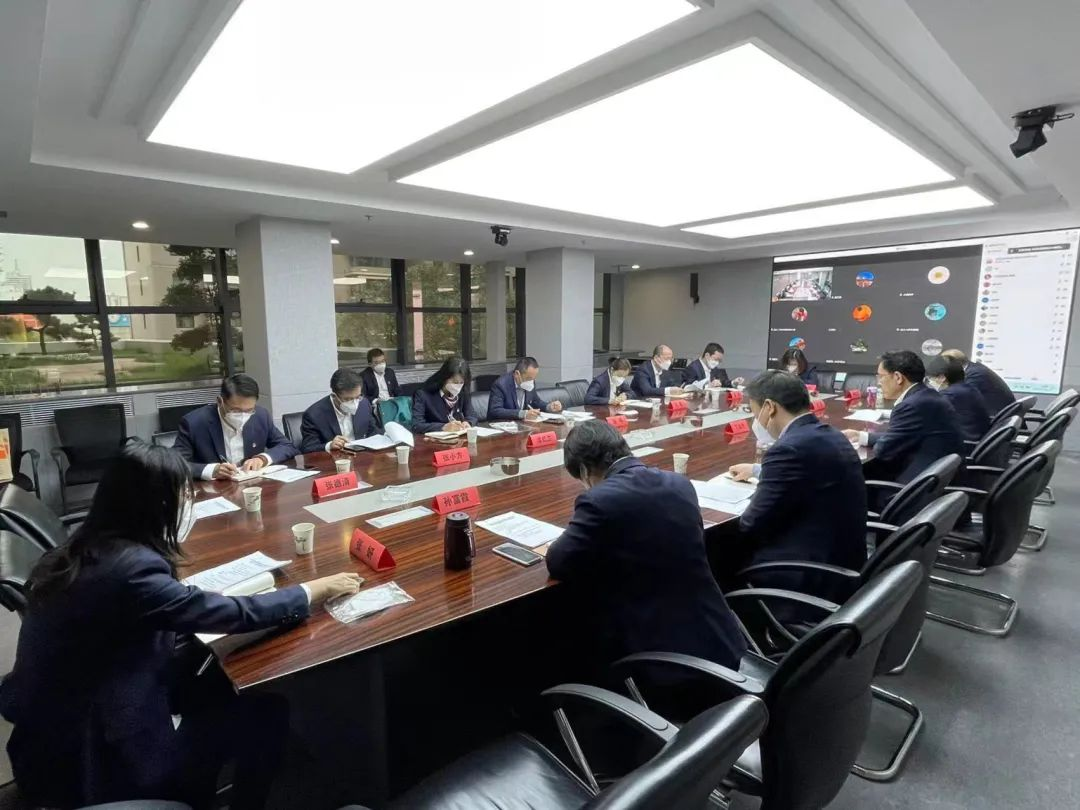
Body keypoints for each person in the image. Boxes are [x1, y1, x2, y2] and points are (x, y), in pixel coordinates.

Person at [0, 442, 362, 809]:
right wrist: (310, 591)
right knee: (267, 712)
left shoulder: (86, 546)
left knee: (217, 676)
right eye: (181, 496)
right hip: (100, 756)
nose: (187, 504)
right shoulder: (132, 571)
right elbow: (229, 615)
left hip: (66, 723)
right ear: (152, 505)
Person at [546, 421, 746, 670]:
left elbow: (559, 561)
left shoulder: (598, 500)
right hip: (720, 639)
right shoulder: (680, 483)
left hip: (666, 661)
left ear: (585, 471)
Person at [728, 371, 867, 600]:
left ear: (769, 407)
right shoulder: (830, 434)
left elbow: (751, 523)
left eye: (754, 412)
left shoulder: (787, 449)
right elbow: (810, 473)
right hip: (844, 562)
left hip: (806, 575)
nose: (755, 421)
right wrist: (757, 470)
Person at [842, 350, 964, 484]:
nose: (878, 383)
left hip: (917, 485)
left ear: (898, 377)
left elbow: (883, 451)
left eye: (881, 376)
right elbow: (900, 436)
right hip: (940, 475)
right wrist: (861, 436)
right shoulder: (926, 395)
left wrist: (880, 443)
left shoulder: (911, 405)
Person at [175, 374, 298, 480]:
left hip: (252, 484)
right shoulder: (194, 423)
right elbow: (174, 465)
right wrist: (211, 470)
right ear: (220, 401)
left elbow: (286, 446)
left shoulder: (260, 416)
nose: (242, 416)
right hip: (213, 490)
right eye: (235, 410)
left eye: (249, 410)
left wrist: (262, 459)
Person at [300, 368, 379, 453]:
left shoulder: (364, 404)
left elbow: (373, 432)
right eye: (348, 399)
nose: (355, 403)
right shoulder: (313, 415)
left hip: (362, 457)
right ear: (334, 396)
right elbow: (308, 448)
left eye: (357, 397)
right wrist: (329, 446)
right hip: (334, 458)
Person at [926, 355, 991, 443]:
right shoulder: (969, 388)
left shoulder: (949, 395)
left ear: (942, 377)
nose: (930, 382)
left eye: (930, 378)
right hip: (977, 440)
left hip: (966, 444)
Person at [412, 356, 479, 433]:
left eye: (461, 382)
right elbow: (416, 425)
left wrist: (468, 423)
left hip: (458, 437)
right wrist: (443, 427)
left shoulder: (463, 392)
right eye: (454, 382)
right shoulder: (423, 394)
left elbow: (472, 416)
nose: (458, 386)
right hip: (433, 438)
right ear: (444, 378)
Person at [941, 349, 1015, 416]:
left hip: (996, 416)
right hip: (994, 414)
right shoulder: (973, 368)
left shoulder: (975, 373)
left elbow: (959, 395)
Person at [487, 357, 564, 421]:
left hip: (522, 426)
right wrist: (523, 414)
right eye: (529, 378)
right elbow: (495, 410)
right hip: (501, 427)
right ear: (517, 374)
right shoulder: (501, 385)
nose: (531, 382)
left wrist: (549, 407)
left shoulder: (530, 382)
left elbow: (535, 401)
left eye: (533, 378)